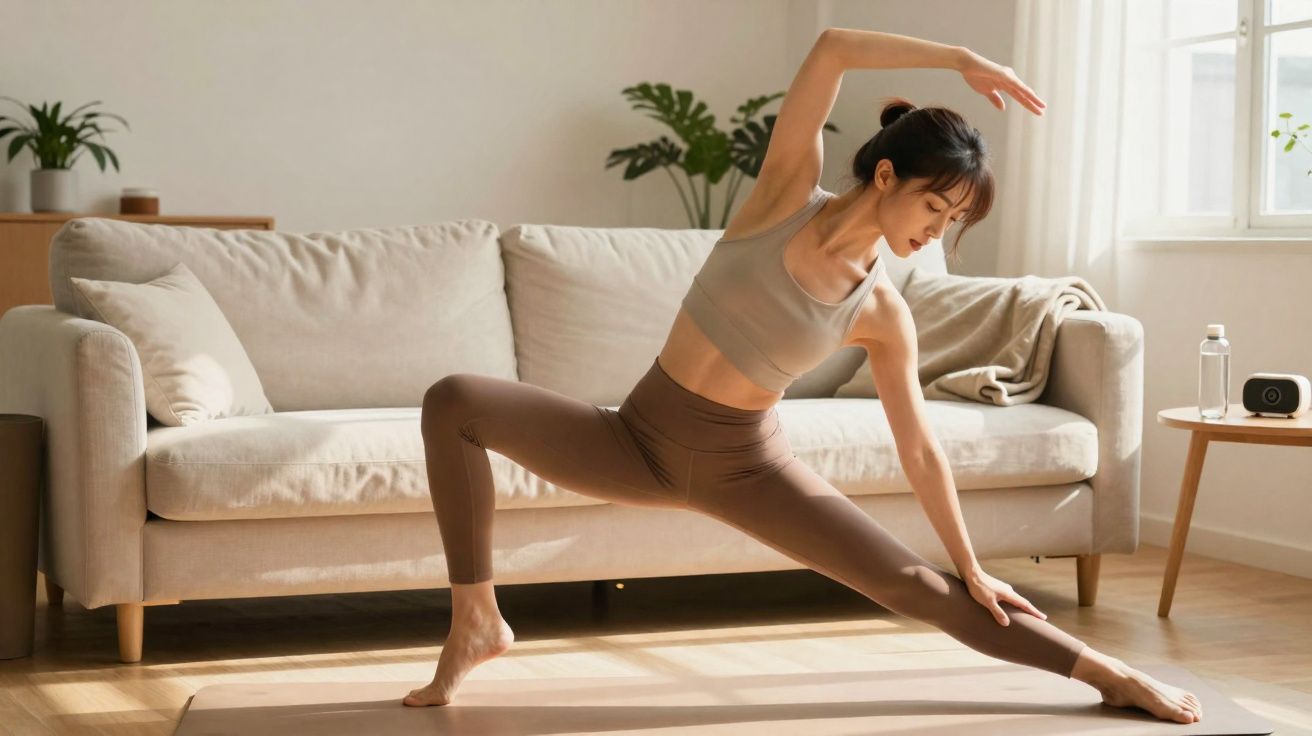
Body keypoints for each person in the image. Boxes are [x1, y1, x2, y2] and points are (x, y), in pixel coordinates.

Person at [402, 27, 1203, 725]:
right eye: (936, 207)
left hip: (747, 467)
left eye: (956, 222)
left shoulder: (883, 312)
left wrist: (970, 563)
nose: (939, 232)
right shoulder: (783, 193)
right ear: (886, 176)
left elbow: (920, 449)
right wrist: (962, 59)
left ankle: (1108, 672)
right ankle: (477, 619)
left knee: (923, 589)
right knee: (455, 401)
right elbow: (833, 50)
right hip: (633, 440)